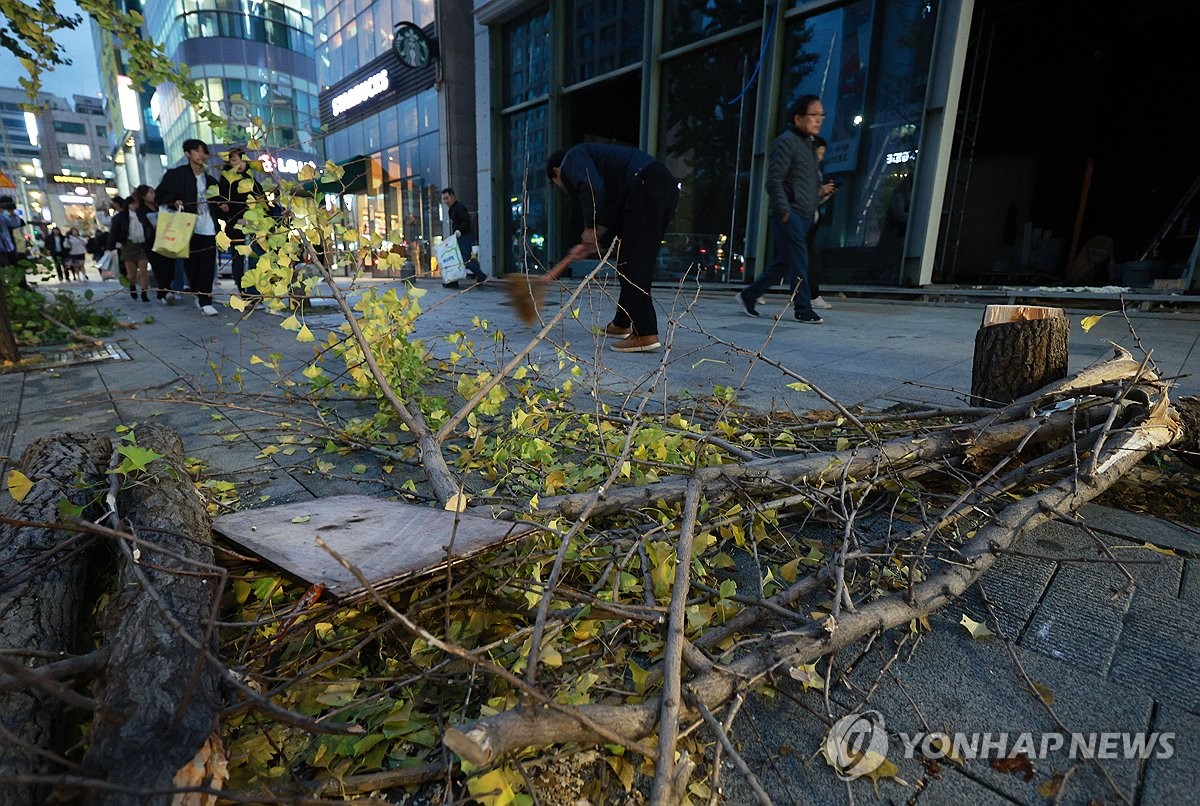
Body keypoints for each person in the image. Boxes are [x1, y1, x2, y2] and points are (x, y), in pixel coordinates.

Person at [544, 143, 680, 353]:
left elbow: (591, 187)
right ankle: (621, 323)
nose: (563, 187)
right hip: (659, 186)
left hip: (647, 184)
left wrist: (590, 227)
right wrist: (598, 242)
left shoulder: (571, 159)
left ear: (556, 172)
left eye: (557, 184)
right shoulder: (603, 166)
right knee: (630, 259)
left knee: (634, 264)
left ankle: (645, 333)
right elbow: (622, 221)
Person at [736, 94, 826, 324]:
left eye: (821, 115)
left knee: (784, 263)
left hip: (805, 215)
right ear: (798, 118)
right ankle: (803, 309)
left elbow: (805, 182)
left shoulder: (810, 145)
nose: (819, 120)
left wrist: (819, 195)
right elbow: (773, 181)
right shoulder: (786, 142)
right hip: (790, 213)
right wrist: (785, 210)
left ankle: (749, 294)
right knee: (799, 262)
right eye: (813, 115)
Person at [155, 138, 220, 315]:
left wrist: (223, 207)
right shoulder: (176, 175)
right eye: (197, 151)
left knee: (207, 264)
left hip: (208, 227)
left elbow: (218, 203)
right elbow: (159, 196)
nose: (202, 155)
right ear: (188, 154)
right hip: (186, 226)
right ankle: (198, 295)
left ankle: (205, 299)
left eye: (204, 151)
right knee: (191, 265)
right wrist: (173, 202)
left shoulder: (211, 180)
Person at [216, 147, 264, 300]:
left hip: (253, 226)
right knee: (238, 260)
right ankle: (244, 292)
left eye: (242, 160)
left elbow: (262, 201)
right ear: (229, 163)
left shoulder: (251, 179)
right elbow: (221, 205)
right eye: (235, 160)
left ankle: (254, 292)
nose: (240, 164)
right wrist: (232, 215)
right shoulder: (225, 182)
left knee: (255, 259)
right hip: (236, 227)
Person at [108, 185, 156, 301]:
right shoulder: (121, 217)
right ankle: (132, 286)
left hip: (142, 244)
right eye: (132, 204)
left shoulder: (143, 215)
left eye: (136, 203)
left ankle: (144, 292)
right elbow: (114, 232)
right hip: (128, 245)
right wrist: (110, 245)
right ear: (128, 205)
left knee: (143, 270)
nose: (135, 206)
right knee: (131, 274)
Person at [441, 187, 487, 285]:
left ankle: (479, 275)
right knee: (462, 258)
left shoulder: (460, 207)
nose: (446, 201)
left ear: (453, 197)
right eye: (444, 199)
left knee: (464, 259)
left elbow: (466, 222)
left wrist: (459, 231)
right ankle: (478, 275)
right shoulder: (451, 210)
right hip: (458, 237)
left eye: (447, 198)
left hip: (464, 236)